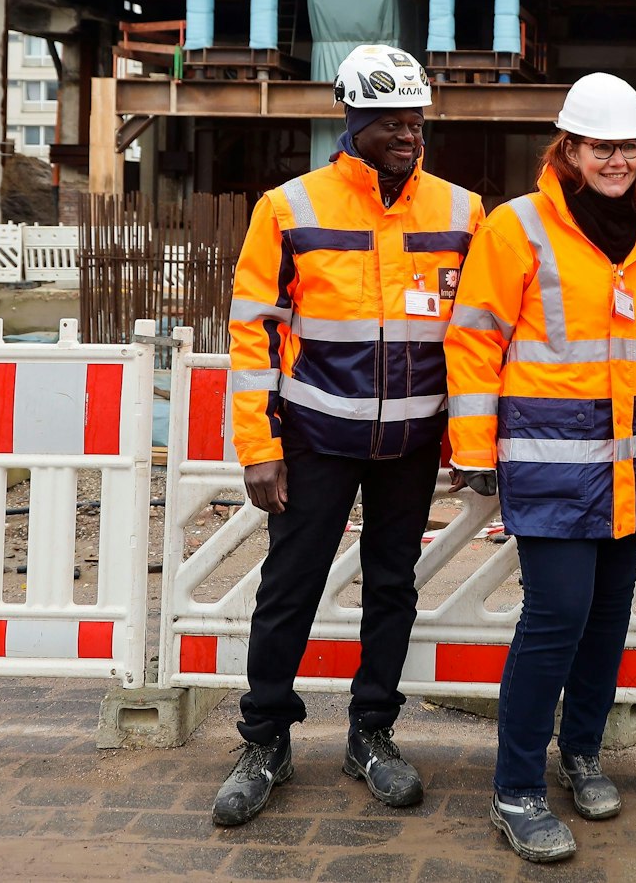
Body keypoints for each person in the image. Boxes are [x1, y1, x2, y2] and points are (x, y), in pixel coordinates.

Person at [213, 43, 484, 827]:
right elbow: (254, 333)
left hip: (412, 444)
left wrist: (469, 441)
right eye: (392, 122)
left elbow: (478, 334)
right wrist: (260, 448)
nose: (408, 135)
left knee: (392, 587)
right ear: (354, 121)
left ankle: (372, 733)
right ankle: (264, 739)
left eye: (416, 122)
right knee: (289, 587)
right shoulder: (290, 207)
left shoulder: (462, 212)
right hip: (315, 437)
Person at [444, 73, 636, 864]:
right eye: (599, 146)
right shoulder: (518, 225)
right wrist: (473, 446)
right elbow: (475, 337)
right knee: (555, 617)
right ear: (569, 149)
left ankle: (581, 751)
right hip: (551, 461)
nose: (615, 160)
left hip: (632, 460)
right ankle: (515, 787)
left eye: (627, 147)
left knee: (609, 615)